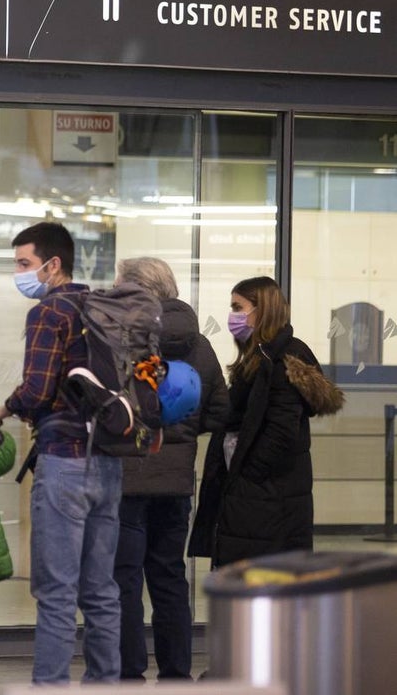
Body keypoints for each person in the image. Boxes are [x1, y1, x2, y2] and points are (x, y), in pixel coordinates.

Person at [0, 221, 121, 684]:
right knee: (102, 589)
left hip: (64, 462)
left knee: (57, 591)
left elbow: (37, 389)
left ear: (53, 265)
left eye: (25, 264)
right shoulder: (103, 306)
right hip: (107, 458)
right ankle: (106, 683)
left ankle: (50, 687)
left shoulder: (50, 312)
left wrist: (2, 411)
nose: (21, 274)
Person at [111, 257, 228, 682]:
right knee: (169, 578)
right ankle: (177, 674)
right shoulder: (200, 345)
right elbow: (220, 410)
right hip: (177, 483)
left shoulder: (122, 339)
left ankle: (128, 673)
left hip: (125, 481)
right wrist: (183, 428)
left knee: (124, 580)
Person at [188, 276, 342, 569]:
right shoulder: (258, 357)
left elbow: (281, 430)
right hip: (259, 499)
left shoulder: (283, 360)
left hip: (265, 499)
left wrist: (248, 475)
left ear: (263, 310)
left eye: (238, 307)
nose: (232, 316)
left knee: (261, 589)